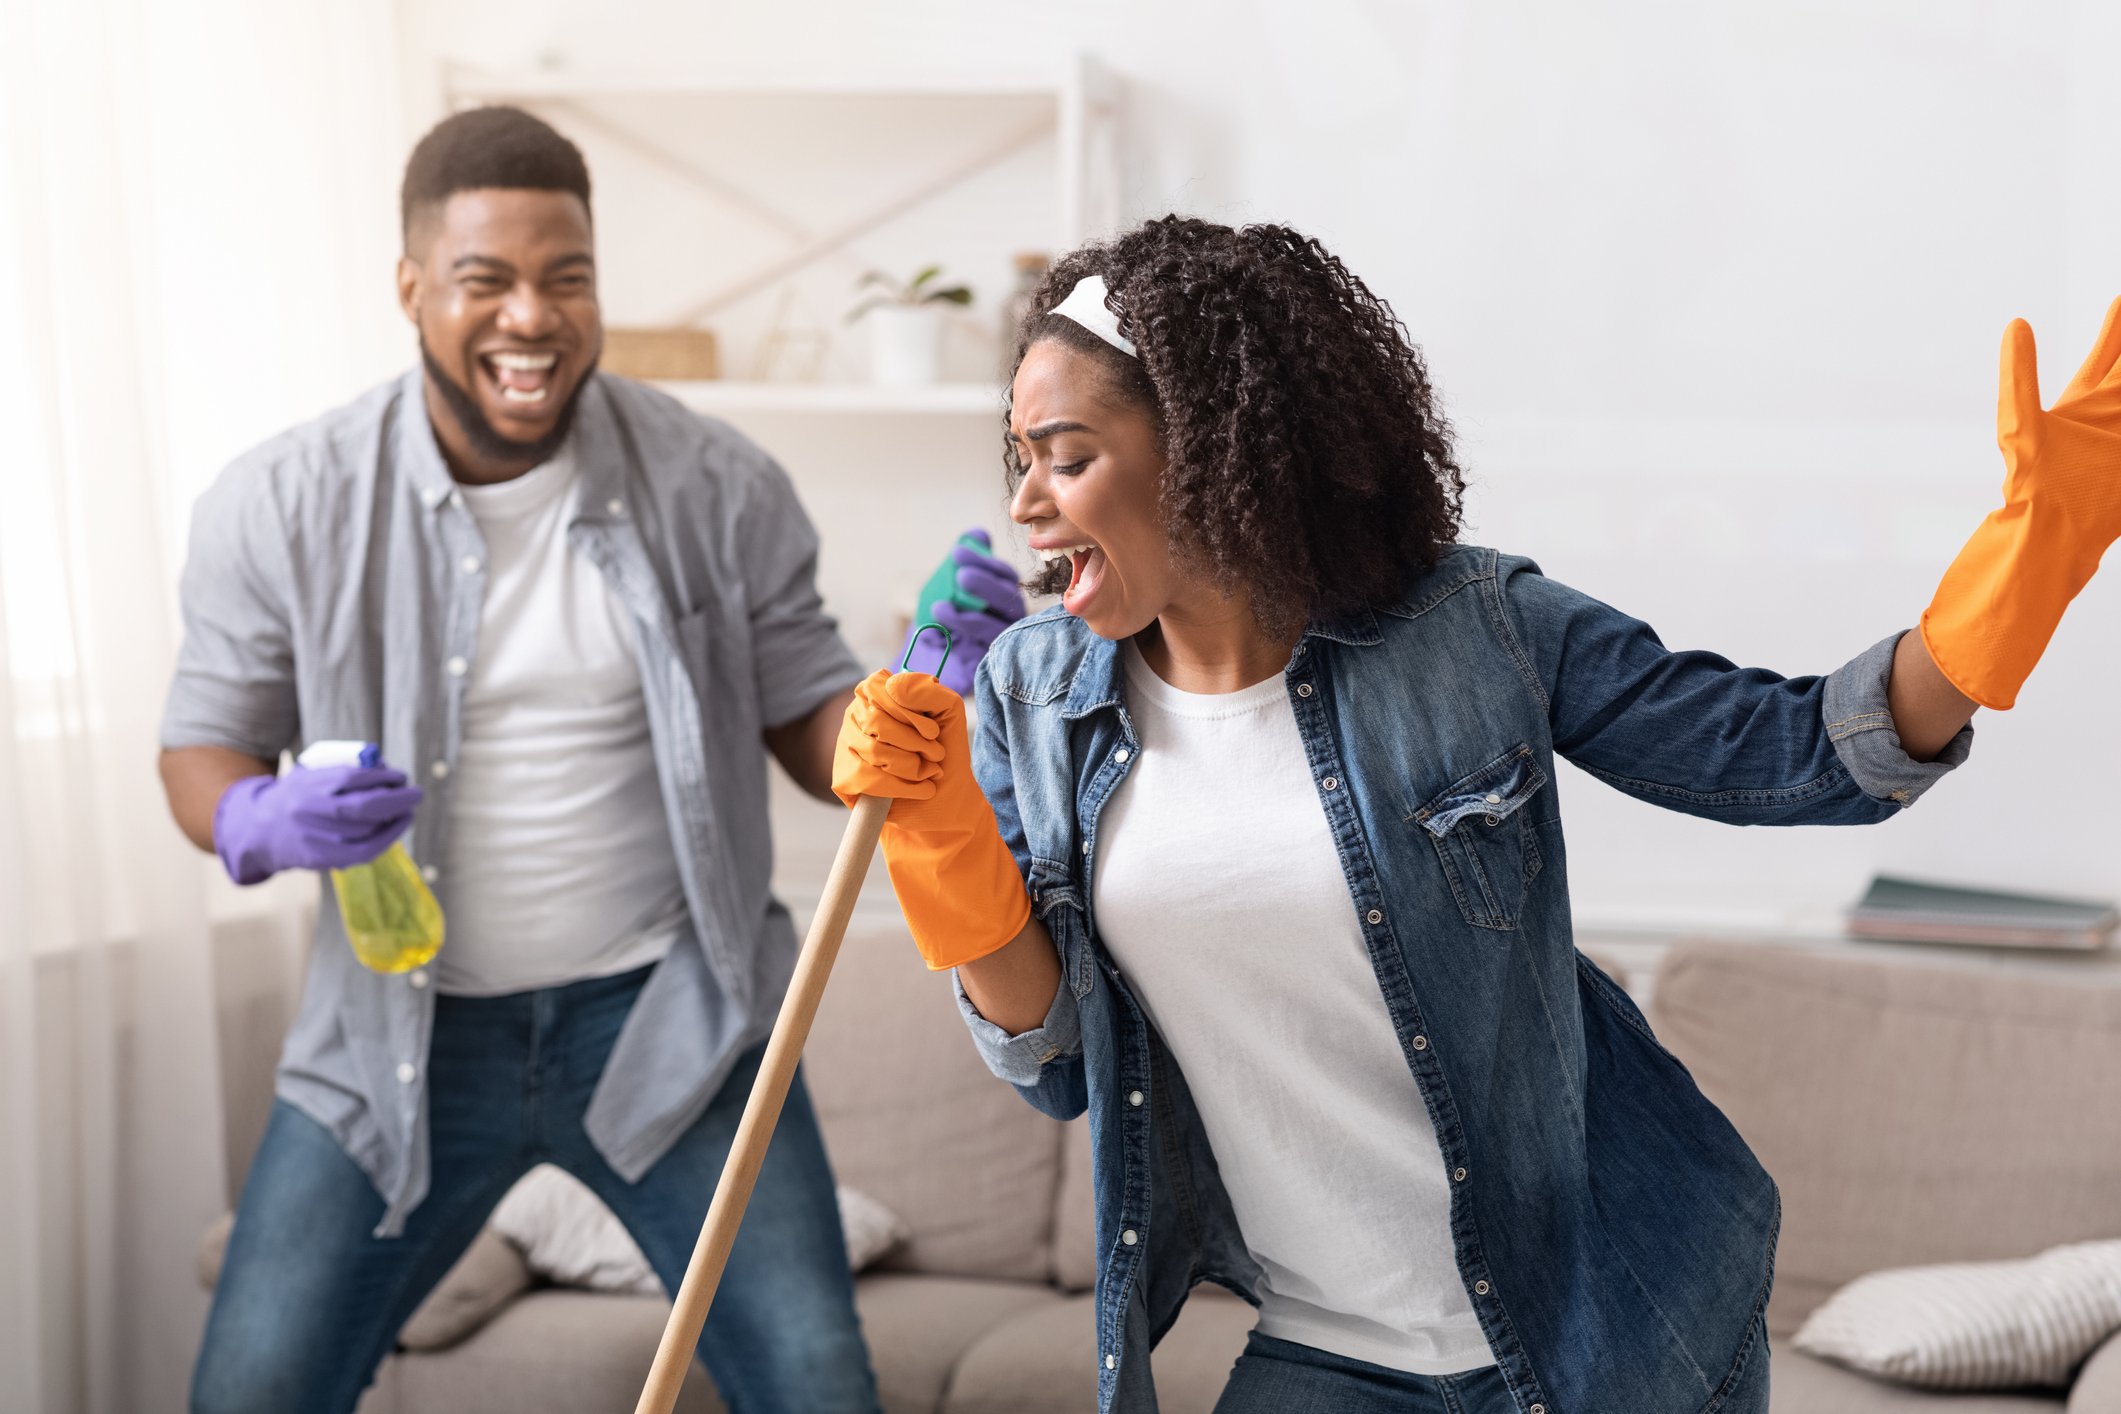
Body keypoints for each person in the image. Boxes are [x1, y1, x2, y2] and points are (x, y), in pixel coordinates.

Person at [832, 216, 2121, 1413]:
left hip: (1600, 1336)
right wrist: (937, 834)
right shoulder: (1034, 695)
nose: (1026, 502)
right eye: (1020, 462)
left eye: (1066, 458)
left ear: (1210, 448)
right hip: (1324, 1351)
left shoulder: (1474, 633)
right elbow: (1054, 1060)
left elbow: (1804, 756)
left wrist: (2031, 563)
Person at [161, 106, 1023, 1414]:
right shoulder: (282, 500)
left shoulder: (714, 484)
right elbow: (197, 745)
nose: (532, 316)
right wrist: (262, 817)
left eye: (566, 277)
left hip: (666, 1021)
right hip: (399, 1036)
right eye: (485, 279)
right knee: (250, 1389)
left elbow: (815, 727)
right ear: (410, 289)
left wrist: (913, 691)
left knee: (816, 1385)